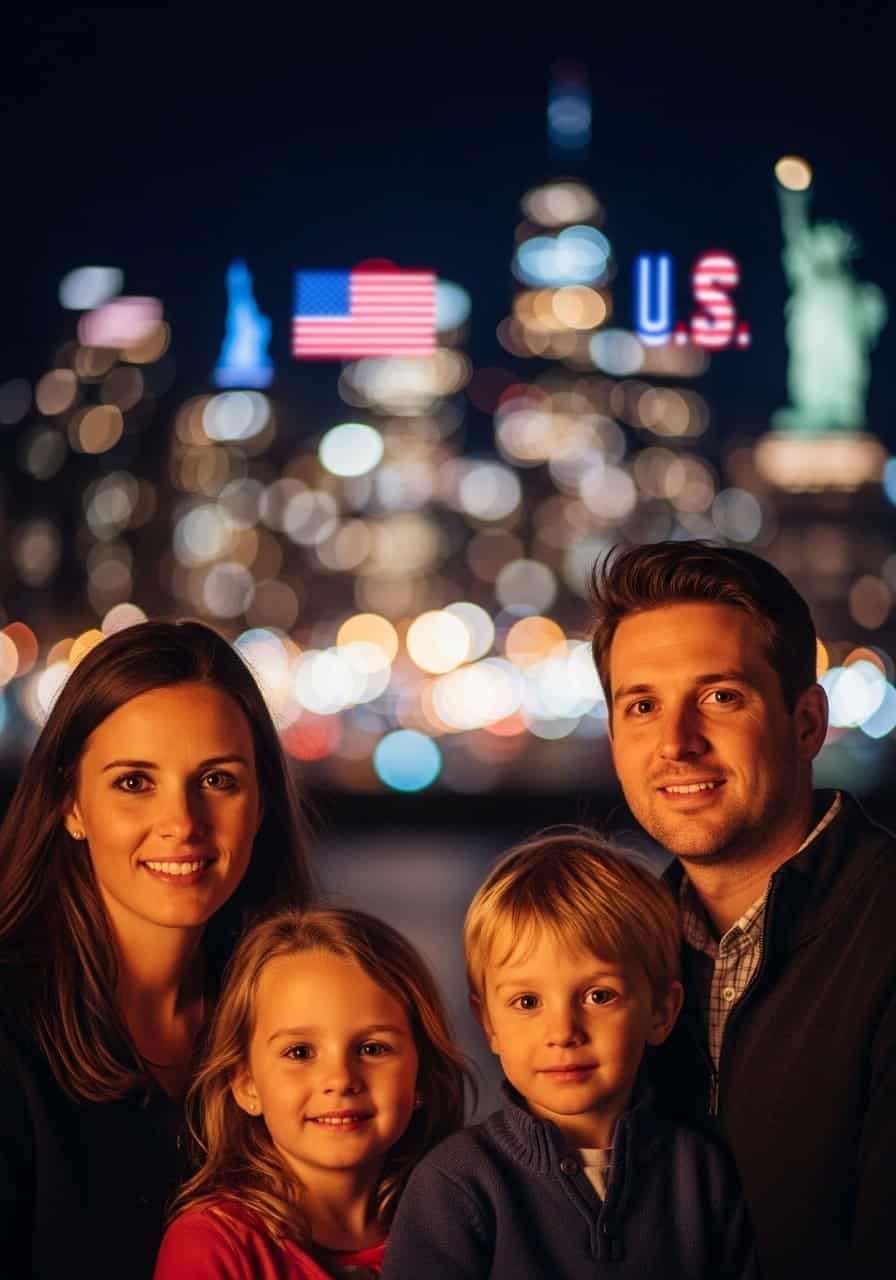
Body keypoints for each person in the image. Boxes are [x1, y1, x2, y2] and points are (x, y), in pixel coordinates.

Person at [590, 539, 896, 1280]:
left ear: (806, 724)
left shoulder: (883, 929)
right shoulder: (614, 957)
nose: (676, 743)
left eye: (720, 697)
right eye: (642, 706)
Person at [0, 620, 312, 1280]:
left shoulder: (294, 1020)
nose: (182, 824)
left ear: (260, 804)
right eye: (135, 783)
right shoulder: (10, 1039)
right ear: (71, 805)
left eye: (219, 781)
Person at [382, 830, 759, 1279]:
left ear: (661, 1013)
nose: (562, 1032)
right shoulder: (457, 1185)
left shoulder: (703, 1175)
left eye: (599, 996)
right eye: (527, 1002)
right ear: (488, 1023)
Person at [154, 907, 471, 1279]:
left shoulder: (461, 1227)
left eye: (372, 1048)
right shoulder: (212, 1244)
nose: (339, 1079)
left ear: (423, 1075)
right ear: (245, 1083)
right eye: (300, 1053)